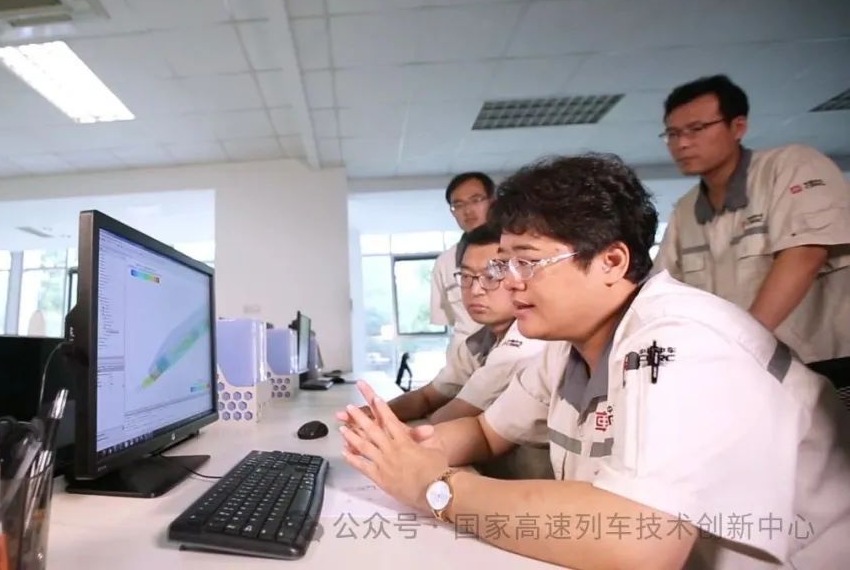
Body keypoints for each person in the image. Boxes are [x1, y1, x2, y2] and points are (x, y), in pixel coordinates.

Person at [338, 154, 850, 569]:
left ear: (611, 261)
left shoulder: (681, 341)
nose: (509, 283)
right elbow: (487, 433)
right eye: (504, 264)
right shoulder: (568, 345)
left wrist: (437, 489)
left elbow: (640, 543)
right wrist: (400, 450)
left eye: (528, 262)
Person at [653, 74, 850, 384]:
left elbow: (805, 255)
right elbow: (663, 292)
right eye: (673, 134)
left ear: (738, 127)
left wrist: (740, 346)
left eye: (696, 129)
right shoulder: (685, 211)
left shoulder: (791, 167)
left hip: (824, 369)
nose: (682, 143)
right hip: (747, 375)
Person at [383, 223, 548, 424]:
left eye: (491, 276)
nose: (475, 290)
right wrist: (371, 415)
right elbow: (427, 397)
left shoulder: (526, 344)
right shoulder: (479, 340)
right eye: (466, 276)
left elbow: (450, 416)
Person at [429, 172, 495, 380]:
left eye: (476, 200)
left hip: (514, 357)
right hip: (463, 367)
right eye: (458, 205)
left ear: (493, 201)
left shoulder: (517, 252)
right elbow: (450, 320)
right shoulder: (445, 263)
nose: (468, 210)